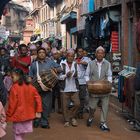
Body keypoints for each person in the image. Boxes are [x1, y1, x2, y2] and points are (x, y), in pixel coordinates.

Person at [29, 47, 61, 129]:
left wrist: (56, 70)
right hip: (36, 88)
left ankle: (44, 122)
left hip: (47, 88)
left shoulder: (50, 62)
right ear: (37, 54)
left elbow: (60, 68)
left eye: (43, 52)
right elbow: (30, 76)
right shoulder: (33, 64)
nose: (42, 53)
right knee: (36, 105)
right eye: (40, 52)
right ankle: (36, 120)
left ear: (45, 53)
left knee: (46, 105)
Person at [6, 68, 42, 140]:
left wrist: (8, 114)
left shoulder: (14, 87)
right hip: (28, 114)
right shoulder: (31, 86)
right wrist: (38, 110)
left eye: (13, 77)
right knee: (22, 133)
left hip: (18, 115)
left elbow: (12, 104)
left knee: (17, 134)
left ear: (18, 76)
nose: (12, 78)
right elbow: (38, 98)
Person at [85, 46, 112, 131]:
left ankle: (103, 123)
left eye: (102, 53)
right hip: (94, 89)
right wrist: (88, 82)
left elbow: (109, 75)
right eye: (98, 53)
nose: (100, 54)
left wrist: (108, 83)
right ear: (96, 54)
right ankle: (90, 116)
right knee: (92, 107)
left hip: (105, 89)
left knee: (105, 106)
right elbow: (86, 75)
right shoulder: (91, 63)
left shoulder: (107, 63)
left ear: (104, 54)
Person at [59, 49, 80, 127]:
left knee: (77, 104)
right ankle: (67, 120)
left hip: (74, 88)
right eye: (69, 56)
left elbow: (80, 75)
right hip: (64, 88)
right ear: (66, 56)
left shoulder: (75, 64)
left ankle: (71, 117)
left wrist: (76, 75)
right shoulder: (62, 64)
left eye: (72, 56)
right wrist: (65, 75)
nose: (70, 57)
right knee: (64, 106)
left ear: (74, 57)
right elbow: (58, 77)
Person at [76, 48, 91, 118]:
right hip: (75, 81)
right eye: (79, 51)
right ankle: (76, 111)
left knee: (82, 97)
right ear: (77, 52)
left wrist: (81, 62)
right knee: (76, 97)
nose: (80, 53)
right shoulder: (73, 58)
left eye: (82, 51)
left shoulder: (87, 59)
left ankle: (80, 112)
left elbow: (89, 65)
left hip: (83, 82)